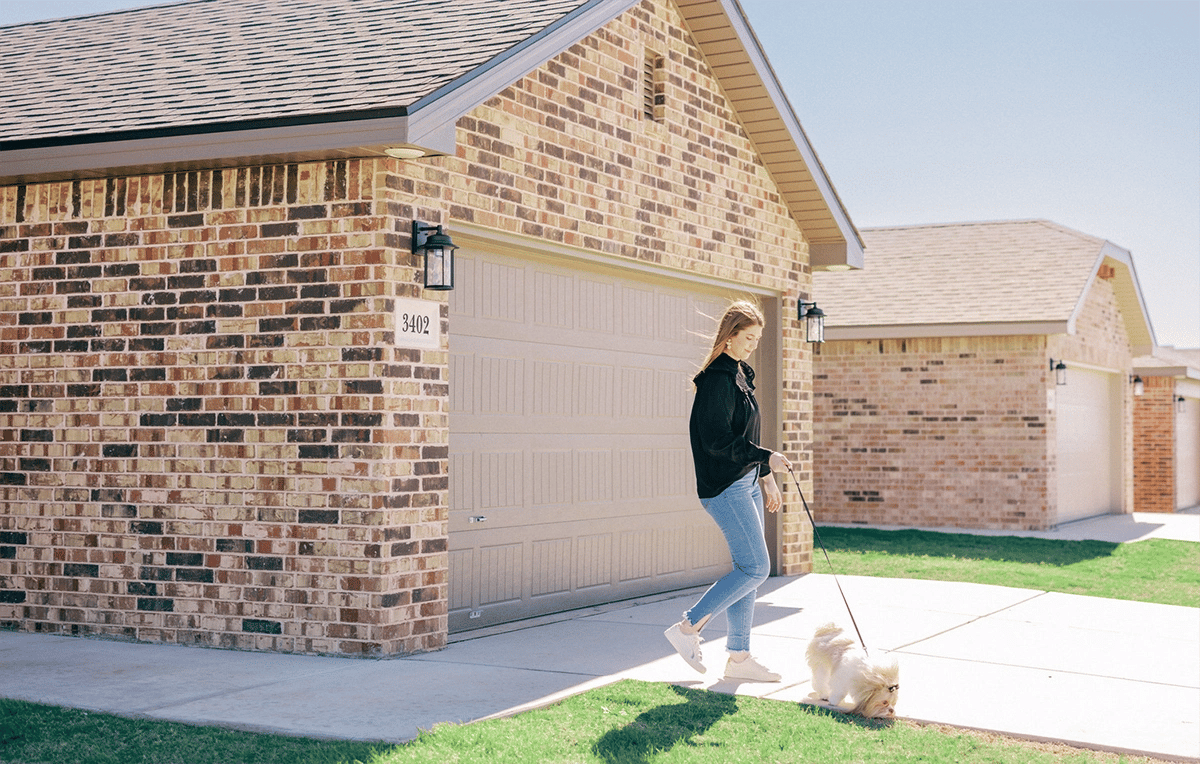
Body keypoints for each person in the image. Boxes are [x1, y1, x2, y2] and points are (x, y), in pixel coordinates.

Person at [664, 299, 791, 682]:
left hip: (747, 481)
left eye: (757, 338)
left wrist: (764, 475)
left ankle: (738, 657)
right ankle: (687, 628)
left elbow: (745, 432)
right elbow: (718, 441)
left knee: (746, 569)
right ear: (729, 337)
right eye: (747, 337)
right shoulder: (717, 380)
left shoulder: (739, 373)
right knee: (757, 568)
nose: (753, 344)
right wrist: (768, 458)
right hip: (725, 486)